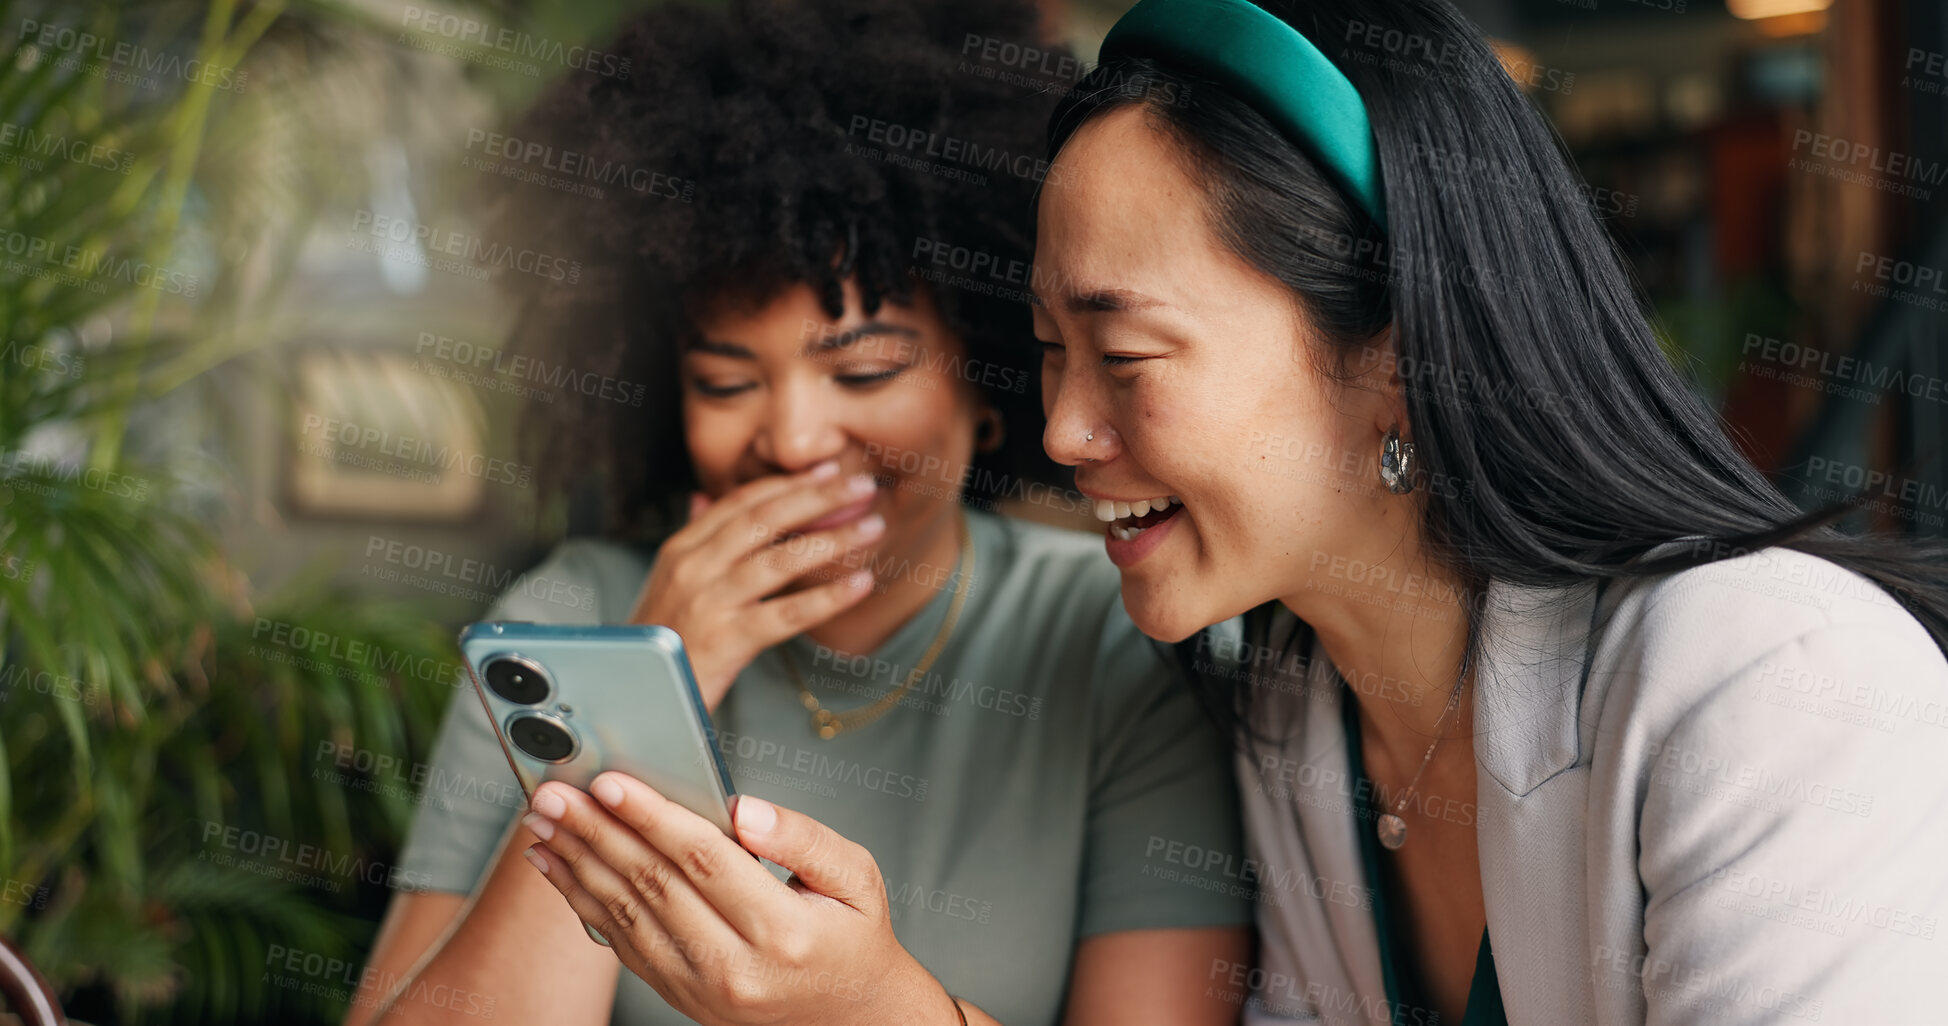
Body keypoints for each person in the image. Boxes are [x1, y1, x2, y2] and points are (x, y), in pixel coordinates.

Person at [1029, 0, 1948, 1024]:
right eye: (1046, 350)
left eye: (1123, 358)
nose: (1062, 431)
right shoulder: (1300, 712)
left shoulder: (1773, 688)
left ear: (1394, 358)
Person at [348, 2, 1251, 1024]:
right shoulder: (569, 622)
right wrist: (633, 709)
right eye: (726, 384)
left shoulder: (1112, 639)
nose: (792, 437)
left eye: (864, 370)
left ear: (985, 381)